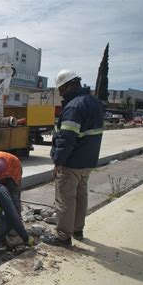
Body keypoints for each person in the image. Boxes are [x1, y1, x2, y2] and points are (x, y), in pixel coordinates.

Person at [41, 69, 104, 247]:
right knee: (80, 195)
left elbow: (66, 139)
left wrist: (59, 162)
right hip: (88, 160)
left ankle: (63, 236)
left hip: (72, 161)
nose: (60, 93)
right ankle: (77, 229)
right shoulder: (94, 102)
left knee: (65, 198)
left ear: (70, 85)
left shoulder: (74, 106)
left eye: (61, 89)